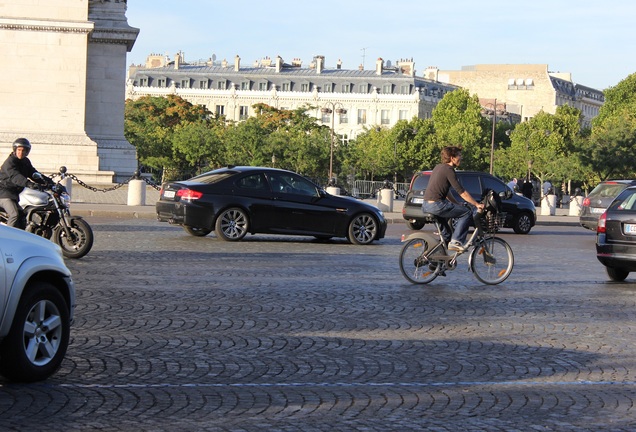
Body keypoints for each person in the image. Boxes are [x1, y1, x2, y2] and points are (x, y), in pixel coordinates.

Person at [421, 146, 484, 252]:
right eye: (459, 155)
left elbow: (446, 192)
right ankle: (456, 241)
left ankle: (435, 263)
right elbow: (461, 191)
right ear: (452, 158)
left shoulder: (438, 167)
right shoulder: (449, 170)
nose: (461, 158)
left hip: (426, 205)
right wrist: (476, 204)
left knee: (446, 235)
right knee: (466, 213)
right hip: (436, 205)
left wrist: (456, 203)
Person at [0, 138, 43, 229]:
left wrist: (49, 182)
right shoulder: (9, 162)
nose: (21, 152)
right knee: (14, 214)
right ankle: (9, 237)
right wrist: (29, 184)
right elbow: (15, 177)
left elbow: (33, 173)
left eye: (23, 150)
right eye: (19, 150)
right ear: (15, 150)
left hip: (14, 194)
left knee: (22, 215)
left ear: (27, 152)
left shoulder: (25, 161)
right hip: (4, 193)